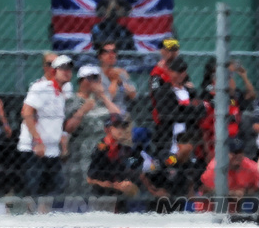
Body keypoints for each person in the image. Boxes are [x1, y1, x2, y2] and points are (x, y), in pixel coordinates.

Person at [18, 53, 74, 196]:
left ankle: (44, 217)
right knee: (33, 191)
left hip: (52, 149)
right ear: (54, 71)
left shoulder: (64, 92)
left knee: (56, 189)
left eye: (69, 68)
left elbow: (59, 122)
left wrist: (63, 143)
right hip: (35, 149)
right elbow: (26, 112)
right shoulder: (41, 87)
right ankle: (29, 217)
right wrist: (37, 140)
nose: (67, 72)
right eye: (63, 69)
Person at [63, 63, 122, 196]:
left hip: (104, 150)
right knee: (82, 191)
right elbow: (69, 127)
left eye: (97, 78)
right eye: (90, 78)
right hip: (83, 150)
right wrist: (83, 109)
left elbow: (118, 117)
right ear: (81, 81)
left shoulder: (102, 99)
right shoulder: (73, 100)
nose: (94, 81)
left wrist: (103, 97)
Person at [148, 38, 205, 159]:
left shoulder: (180, 68)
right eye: (169, 50)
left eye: (175, 50)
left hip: (185, 121)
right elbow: (160, 98)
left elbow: (192, 93)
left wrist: (187, 108)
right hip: (163, 121)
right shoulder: (157, 73)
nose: (172, 53)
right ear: (162, 51)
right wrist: (188, 108)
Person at [87, 113, 159, 206]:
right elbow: (90, 179)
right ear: (108, 129)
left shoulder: (126, 149)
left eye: (124, 126)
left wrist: (150, 189)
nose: (121, 130)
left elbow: (138, 168)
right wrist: (114, 185)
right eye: (117, 126)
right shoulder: (101, 148)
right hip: (103, 196)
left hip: (121, 196)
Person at [148, 129, 203, 209]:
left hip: (178, 204)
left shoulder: (192, 165)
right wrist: (154, 192)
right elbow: (167, 162)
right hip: (157, 203)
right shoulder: (167, 155)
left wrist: (192, 194)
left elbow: (191, 185)